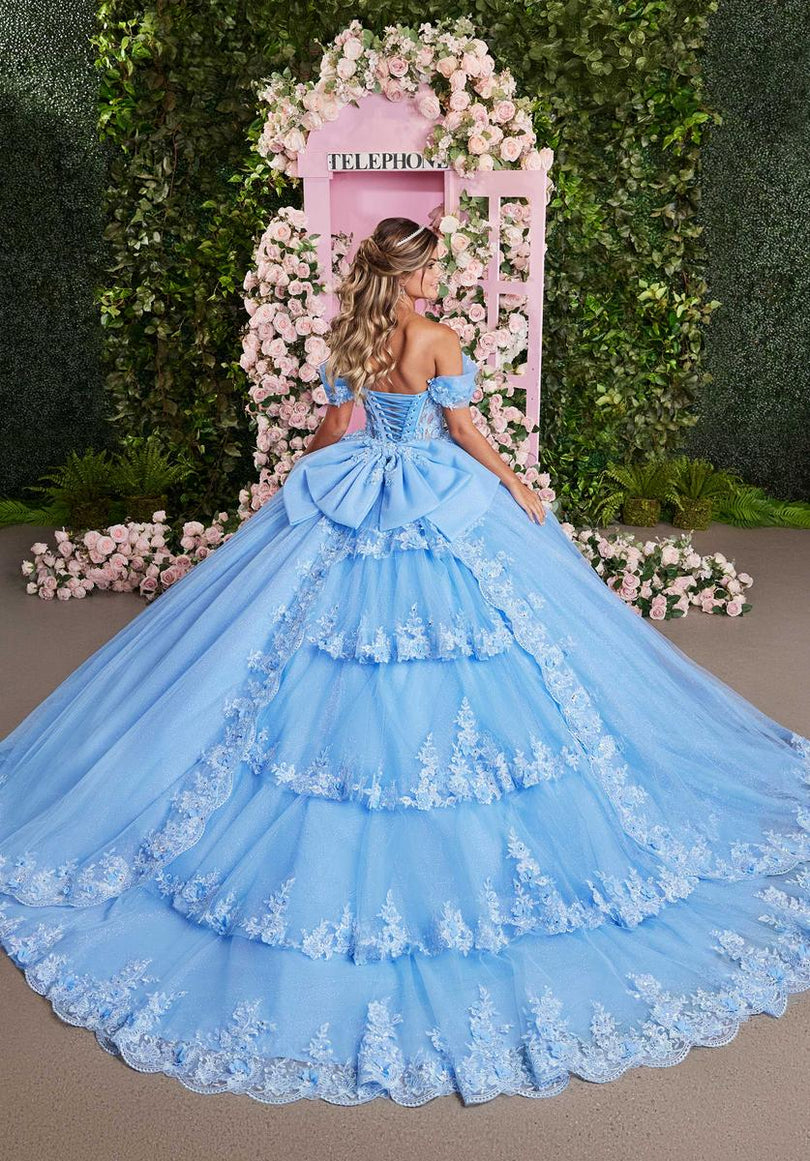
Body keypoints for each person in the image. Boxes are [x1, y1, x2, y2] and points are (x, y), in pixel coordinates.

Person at [0, 216, 809, 1109]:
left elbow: (329, 433)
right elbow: (460, 430)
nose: (440, 276)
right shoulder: (438, 339)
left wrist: (294, 499)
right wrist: (514, 482)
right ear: (409, 272)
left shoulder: (353, 335)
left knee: (326, 659)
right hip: (429, 495)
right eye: (431, 266)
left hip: (358, 489)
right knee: (466, 653)